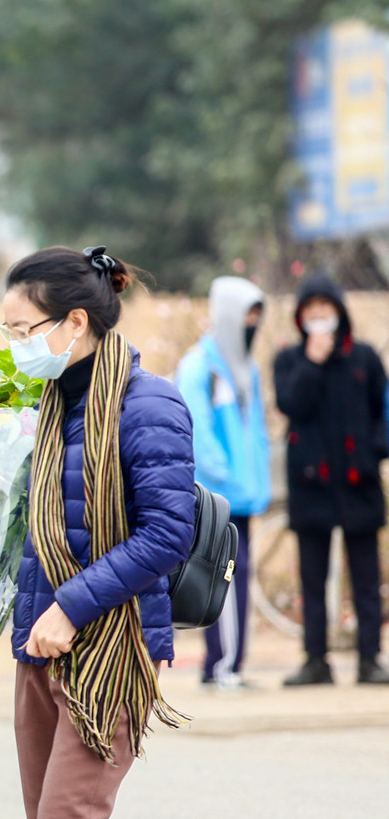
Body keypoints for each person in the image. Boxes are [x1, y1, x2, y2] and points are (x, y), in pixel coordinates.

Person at [0, 246, 195, 819]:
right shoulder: (49, 409)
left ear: (75, 322)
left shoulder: (150, 405)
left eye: (23, 330)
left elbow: (168, 533)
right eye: (8, 331)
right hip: (39, 647)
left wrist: (72, 606)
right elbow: (44, 528)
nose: (15, 345)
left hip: (108, 650)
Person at [273, 274, 389, 686]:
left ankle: (369, 659)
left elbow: (383, 410)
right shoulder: (289, 360)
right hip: (311, 486)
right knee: (312, 579)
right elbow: (290, 403)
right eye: (311, 310)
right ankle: (315, 660)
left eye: (326, 308)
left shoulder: (364, 358)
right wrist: (312, 362)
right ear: (300, 317)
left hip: (359, 482)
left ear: (339, 312)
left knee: (366, 579)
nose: (319, 316)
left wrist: (374, 450)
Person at [175, 276, 272, 689]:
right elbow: (196, 431)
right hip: (217, 498)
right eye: (247, 315)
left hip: (245, 496)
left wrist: (257, 483)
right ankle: (222, 666)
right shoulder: (200, 366)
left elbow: (257, 432)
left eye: (257, 316)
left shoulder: (246, 369)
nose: (252, 324)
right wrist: (224, 476)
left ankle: (227, 666)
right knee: (226, 574)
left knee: (236, 576)